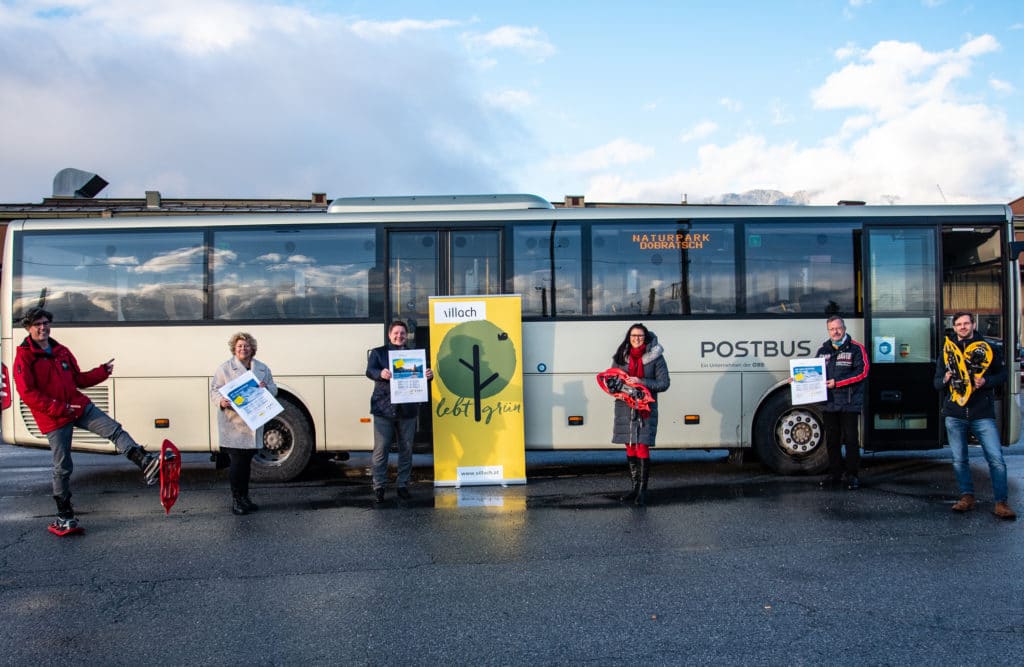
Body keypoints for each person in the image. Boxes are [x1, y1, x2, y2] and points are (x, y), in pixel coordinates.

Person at [13, 307, 160, 533]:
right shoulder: (24, 356)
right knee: (63, 467)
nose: (42, 327)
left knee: (114, 430)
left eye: (45, 323)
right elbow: (28, 393)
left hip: (79, 406)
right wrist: (59, 408)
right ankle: (64, 515)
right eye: (37, 324)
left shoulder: (60, 350)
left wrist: (102, 371)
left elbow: (78, 379)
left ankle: (145, 462)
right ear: (28, 328)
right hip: (54, 417)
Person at [933, 312, 1016, 520]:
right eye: (958, 324)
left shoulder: (988, 348)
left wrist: (986, 382)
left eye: (966, 323)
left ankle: (1001, 502)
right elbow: (935, 384)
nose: (962, 327)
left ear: (973, 324)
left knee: (996, 459)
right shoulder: (947, 351)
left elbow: (1003, 375)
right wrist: (945, 378)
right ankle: (967, 498)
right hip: (955, 414)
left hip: (981, 413)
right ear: (954, 327)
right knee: (959, 460)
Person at [366, 320, 433, 503]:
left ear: (407, 335)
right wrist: (380, 374)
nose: (399, 336)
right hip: (384, 409)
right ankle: (379, 486)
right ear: (389, 334)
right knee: (381, 449)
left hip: (408, 410)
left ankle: (403, 485)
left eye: (402, 333)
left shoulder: (415, 355)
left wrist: (429, 376)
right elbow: (370, 371)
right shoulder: (378, 353)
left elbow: (421, 378)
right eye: (396, 333)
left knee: (406, 449)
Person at [211, 332, 277, 516]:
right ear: (234, 348)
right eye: (239, 346)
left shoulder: (262, 368)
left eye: (246, 346)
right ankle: (236, 500)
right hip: (233, 424)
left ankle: (245, 497)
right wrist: (221, 402)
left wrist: (267, 389)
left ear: (252, 348)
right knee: (237, 464)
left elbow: (274, 387)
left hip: (253, 423)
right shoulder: (225, 368)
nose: (243, 349)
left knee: (246, 463)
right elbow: (214, 390)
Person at [610, 323, 670, 506]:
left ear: (647, 338)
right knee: (629, 446)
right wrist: (619, 386)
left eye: (640, 336)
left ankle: (643, 492)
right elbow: (612, 379)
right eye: (634, 335)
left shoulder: (656, 358)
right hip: (625, 407)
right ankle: (634, 488)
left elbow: (664, 383)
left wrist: (640, 381)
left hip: (645, 408)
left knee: (642, 446)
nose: (636, 339)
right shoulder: (621, 357)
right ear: (629, 337)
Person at [813, 315, 869, 490]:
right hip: (829, 403)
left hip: (849, 402)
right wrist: (797, 380)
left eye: (838, 328)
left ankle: (852, 475)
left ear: (844, 328)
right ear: (828, 330)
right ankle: (834, 474)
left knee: (851, 439)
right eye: (832, 329)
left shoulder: (856, 349)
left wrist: (839, 383)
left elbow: (863, 373)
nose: (835, 332)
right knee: (832, 440)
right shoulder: (823, 350)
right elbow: (812, 373)